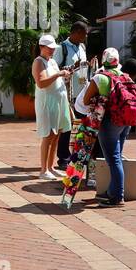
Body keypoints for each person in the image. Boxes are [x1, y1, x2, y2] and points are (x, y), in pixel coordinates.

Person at [81, 48, 135, 208]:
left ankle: (118, 196)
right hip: (126, 121)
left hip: (109, 121)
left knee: (113, 159)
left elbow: (85, 100)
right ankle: (112, 190)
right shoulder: (125, 76)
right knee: (117, 156)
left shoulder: (100, 77)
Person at [33, 34, 73, 179]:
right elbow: (41, 83)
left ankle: (50, 167)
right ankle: (43, 170)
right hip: (47, 103)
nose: (52, 50)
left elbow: (56, 79)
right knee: (48, 136)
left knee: (56, 135)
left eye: (53, 48)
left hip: (58, 102)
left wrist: (64, 75)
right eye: (49, 48)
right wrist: (58, 75)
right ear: (41, 47)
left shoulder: (52, 62)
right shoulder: (38, 62)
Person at [54, 21, 90, 171]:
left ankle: (77, 155)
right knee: (66, 126)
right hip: (67, 93)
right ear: (75, 32)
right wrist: (71, 68)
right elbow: (54, 70)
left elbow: (82, 66)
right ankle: (63, 157)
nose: (85, 36)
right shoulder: (61, 48)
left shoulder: (82, 47)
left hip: (81, 92)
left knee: (80, 125)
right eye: (83, 33)